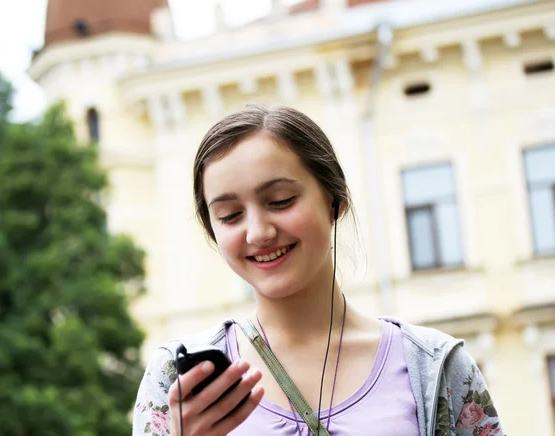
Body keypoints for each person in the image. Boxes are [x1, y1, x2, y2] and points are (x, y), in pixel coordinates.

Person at [132, 104, 505, 436]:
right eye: (230, 216)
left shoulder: (437, 367)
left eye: (281, 201)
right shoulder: (174, 382)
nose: (259, 232)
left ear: (335, 199)